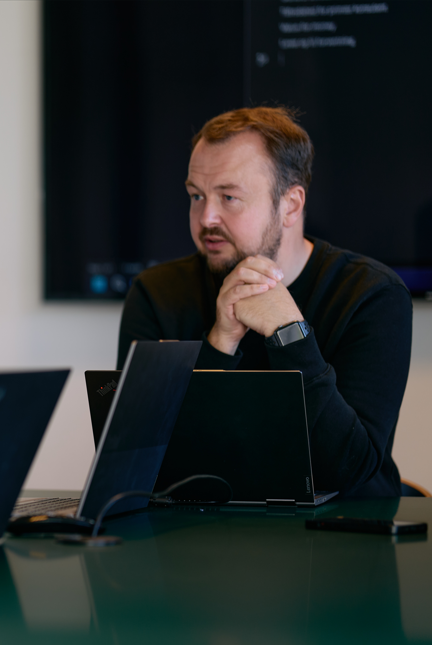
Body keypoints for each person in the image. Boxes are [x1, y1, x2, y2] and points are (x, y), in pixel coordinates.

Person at [117, 106, 412, 498]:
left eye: (229, 197)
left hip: (342, 528)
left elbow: (348, 468)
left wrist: (290, 334)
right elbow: (136, 463)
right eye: (196, 195)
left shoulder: (373, 295)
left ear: (291, 205)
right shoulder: (156, 294)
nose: (206, 217)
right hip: (202, 529)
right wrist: (219, 345)